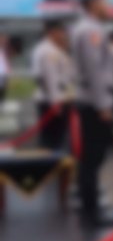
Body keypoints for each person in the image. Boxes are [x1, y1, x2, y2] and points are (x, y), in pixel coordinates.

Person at [70, 0, 113, 227]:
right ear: (93, 3)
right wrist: (103, 105)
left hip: (91, 100)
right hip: (94, 102)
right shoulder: (90, 31)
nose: (106, 4)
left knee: (92, 157)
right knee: (92, 157)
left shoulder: (89, 27)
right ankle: (91, 212)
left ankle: (89, 203)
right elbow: (95, 70)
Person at [31, 20, 73, 151]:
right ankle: (48, 161)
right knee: (52, 138)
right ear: (52, 32)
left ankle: (51, 159)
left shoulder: (53, 49)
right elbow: (50, 79)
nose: (63, 35)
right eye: (61, 31)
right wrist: (55, 102)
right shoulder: (48, 51)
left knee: (56, 136)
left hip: (56, 96)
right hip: (52, 98)